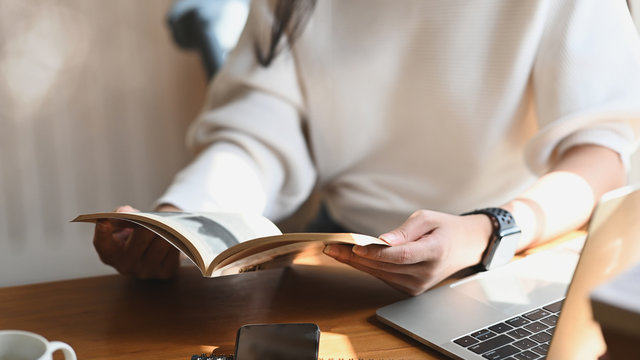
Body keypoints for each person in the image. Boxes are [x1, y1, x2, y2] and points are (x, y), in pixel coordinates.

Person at [93, 0, 640, 295]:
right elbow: (256, 137)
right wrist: (180, 220)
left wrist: (488, 230)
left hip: (513, 254)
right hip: (345, 265)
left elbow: (599, 156)